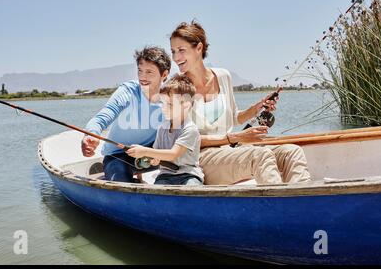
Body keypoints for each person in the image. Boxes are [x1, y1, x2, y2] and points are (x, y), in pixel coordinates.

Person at [169, 20, 311, 185]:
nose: (175, 58)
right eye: (173, 51)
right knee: (260, 156)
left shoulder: (222, 76)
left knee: (292, 152)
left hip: (230, 151)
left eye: (181, 50)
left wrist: (256, 108)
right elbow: (183, 140)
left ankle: (299, 202)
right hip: (200, 159)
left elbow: (234, 117)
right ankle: (278, 206)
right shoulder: (177, 88)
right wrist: (235, 137)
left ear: (199, 48)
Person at [81, 46, 170, 182]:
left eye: (149, 72)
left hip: (151, 153)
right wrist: (90, 135)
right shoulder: (128, 91)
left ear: (164, 75)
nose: (143, 77)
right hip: (118, 155)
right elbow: (102, 117)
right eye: (140, 71)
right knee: (120, 178)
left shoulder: (171, 97)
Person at [126, 74, 203, 186]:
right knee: (156, 192)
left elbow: (173, 154)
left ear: (186, 106)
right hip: (165, 175)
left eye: (170, 104)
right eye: (163, 103)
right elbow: (157, 153)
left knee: (192, 189)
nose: (164, 108)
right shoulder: (162, 128)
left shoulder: (190, 129)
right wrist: (153, 159)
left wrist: (144, 151)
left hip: (189, 175)